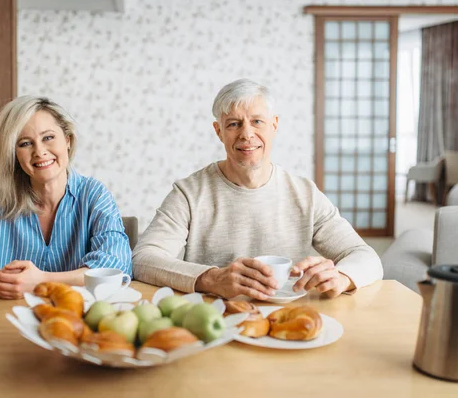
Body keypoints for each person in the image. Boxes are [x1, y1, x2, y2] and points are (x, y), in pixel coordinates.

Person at [133, 79, 382, 300]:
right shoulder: (189, 193)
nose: (246, 134)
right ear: (218, 131)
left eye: (257, 121)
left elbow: (365, 256)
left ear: (274, 125)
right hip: (213, 318)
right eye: (233, 124)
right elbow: (143, 259)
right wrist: (212, 279)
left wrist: (340, 276)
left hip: (287, 316)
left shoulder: (304, 193)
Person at [0, 96, 132, 299]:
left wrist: (41, 281)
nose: (39, 151)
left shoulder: (95, 196)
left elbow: (117, 265)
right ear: (13, 154)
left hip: (75, 323)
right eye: (25, 143)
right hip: (0, 322)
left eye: (48, 137)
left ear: (67, 140)